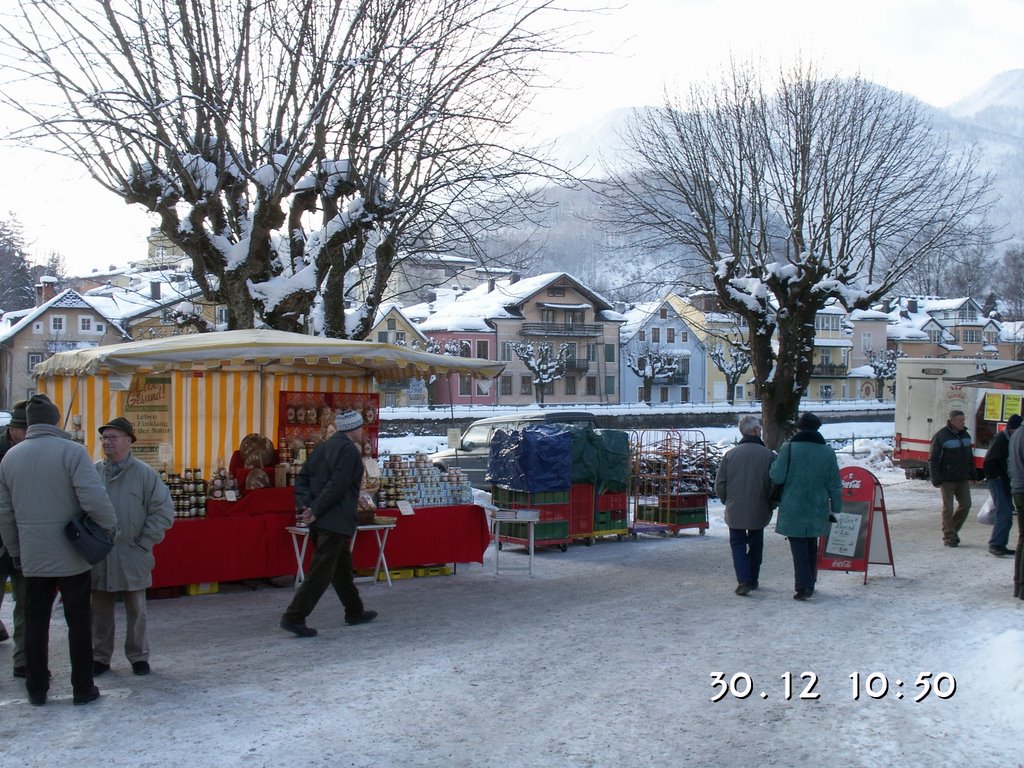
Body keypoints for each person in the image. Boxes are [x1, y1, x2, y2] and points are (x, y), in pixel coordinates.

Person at [0, 394, 117, 706]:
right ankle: (83, 687)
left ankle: (36, 689)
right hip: (72, 552)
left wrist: (15, 550)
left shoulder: (10, 458)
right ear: (55, 421)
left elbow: (5, 513)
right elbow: (93, 498)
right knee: (79, 621)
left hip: (33, 555)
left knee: (34, 621)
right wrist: (108, 524)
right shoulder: (72, 452)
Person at [279, 409, 377, 637]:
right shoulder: (350, 453)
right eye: (361, 427)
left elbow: (302, 479)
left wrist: (305, 507)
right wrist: (314, 509)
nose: (362, 431)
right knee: (321, 572)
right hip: (336, 520)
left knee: (341, 568)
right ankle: (294, 616)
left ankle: (354, 610)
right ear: (353, 429)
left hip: (321, 520)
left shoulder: (322, 448)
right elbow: (337, 486)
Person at [91, 417, 174, 677]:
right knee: (100, 611)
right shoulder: (93, 473)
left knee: (137, 610)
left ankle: (138, 656)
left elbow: (163, 511)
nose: (107, 442)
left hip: (132, 554)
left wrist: (144, 542)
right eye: (104, 437)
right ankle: (100, 657)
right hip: (100, 556)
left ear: (129, 441)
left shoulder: (145, 474)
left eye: (113, 437)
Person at [769, 412, 842, 601]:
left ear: (799, 428)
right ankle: (811, 580)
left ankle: (804, 586)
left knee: (799, 544)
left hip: (794, 504)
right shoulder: (827, 452)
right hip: (818, 504)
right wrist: (837, 509)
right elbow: (835, 484)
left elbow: (777, 476)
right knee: (811, 542)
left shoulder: (789, 448)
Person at [714, 415, 775, 595]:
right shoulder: (769, 455)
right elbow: (775, 484)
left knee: (737, 544)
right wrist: (771, 503)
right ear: (756, 431)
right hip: (760, 506)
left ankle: (743, 580)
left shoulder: (730, 455)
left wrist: (727, 500)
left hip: (735, 507)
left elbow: (720, 484)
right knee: (756, 543)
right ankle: (753, 578)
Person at [0, 399, 28, 660]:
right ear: (13, 429)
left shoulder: (34, 452)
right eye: (25, 430)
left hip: (25, 539)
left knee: (25, 603)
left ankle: (23, 659)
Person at [929, 409, 975, 547]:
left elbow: (969, 457)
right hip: (947, 478)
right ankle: (949, 536)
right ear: (952, 421)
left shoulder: (966, 435)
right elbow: (933, 459)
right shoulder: (941, 436)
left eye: (963, 420)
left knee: (966, 504)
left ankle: (952, 530)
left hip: (962, 477)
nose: (963, 423)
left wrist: (973, 474)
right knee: (948, 508)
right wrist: (935, 478)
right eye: (960, 420)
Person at [983, 414, 1020, 557]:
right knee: (1003, 513)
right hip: (997, 481)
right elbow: (989, 461)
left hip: (1004, 481)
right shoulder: (1000, 439)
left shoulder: (1009, 438)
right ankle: (995, 544)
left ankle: (1001, 544)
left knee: (1006, 514)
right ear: (1012, 428)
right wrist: (996, 476)